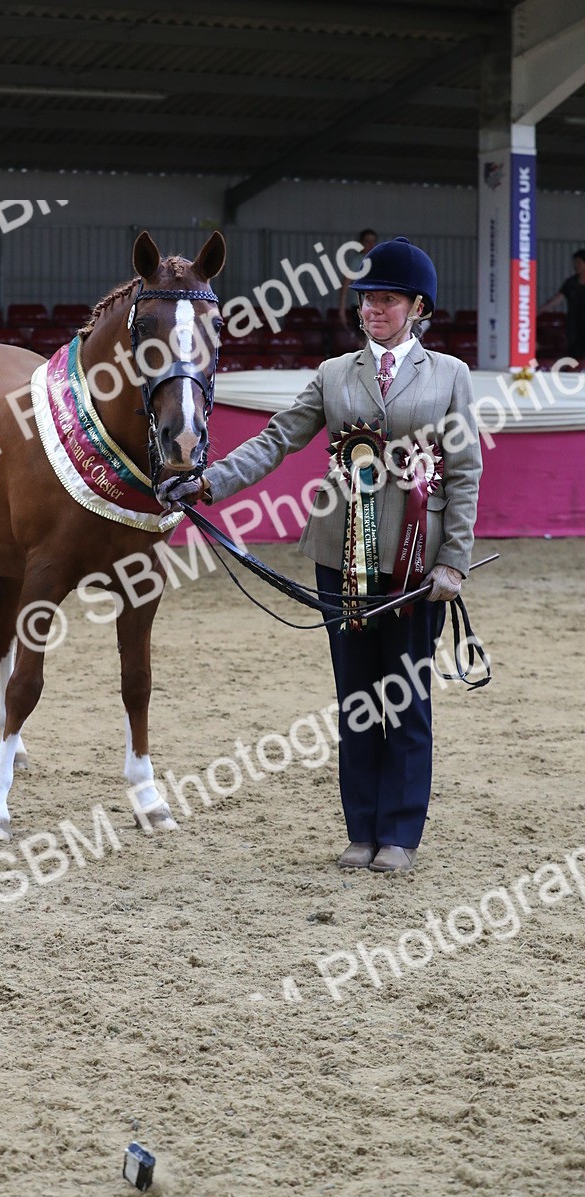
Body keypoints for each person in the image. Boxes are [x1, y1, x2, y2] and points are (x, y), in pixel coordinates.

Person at [158, 237, 482, 873]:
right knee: (357, 696)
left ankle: (399, 834)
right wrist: (208, 482)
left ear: (418, 307)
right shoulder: (335, 374)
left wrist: (455, 559)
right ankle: (361, 828)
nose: (372, 311)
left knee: (406, 697)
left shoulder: (451, 376)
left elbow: (464, 472)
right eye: (366, 301)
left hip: (418, 560)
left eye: (386, 301)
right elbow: (277, 441)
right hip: (341, 556)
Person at [538, 249, 585, 359]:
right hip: (574, 327)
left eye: (579, 262)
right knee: (575, 355)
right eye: (575, 263)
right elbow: (557, 299)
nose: (576, 266)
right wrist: (539, 311)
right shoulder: (571, 283)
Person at [338, 228, 377, 333]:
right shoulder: (357, 261)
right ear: (361, 243)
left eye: (373, 241)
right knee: (363, 337)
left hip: (377, 304)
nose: (370, 245)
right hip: (360, 305)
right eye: (367, 241)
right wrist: (342, 310)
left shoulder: (378, 260)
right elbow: (345, 285)